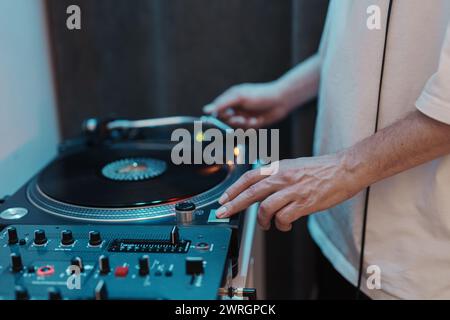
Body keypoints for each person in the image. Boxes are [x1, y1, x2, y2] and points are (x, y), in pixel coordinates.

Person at [204, 0, 450, 299]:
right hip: (336, 234)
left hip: (418, 268)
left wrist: (344, 168)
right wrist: (285, 93)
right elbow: (358, 37)